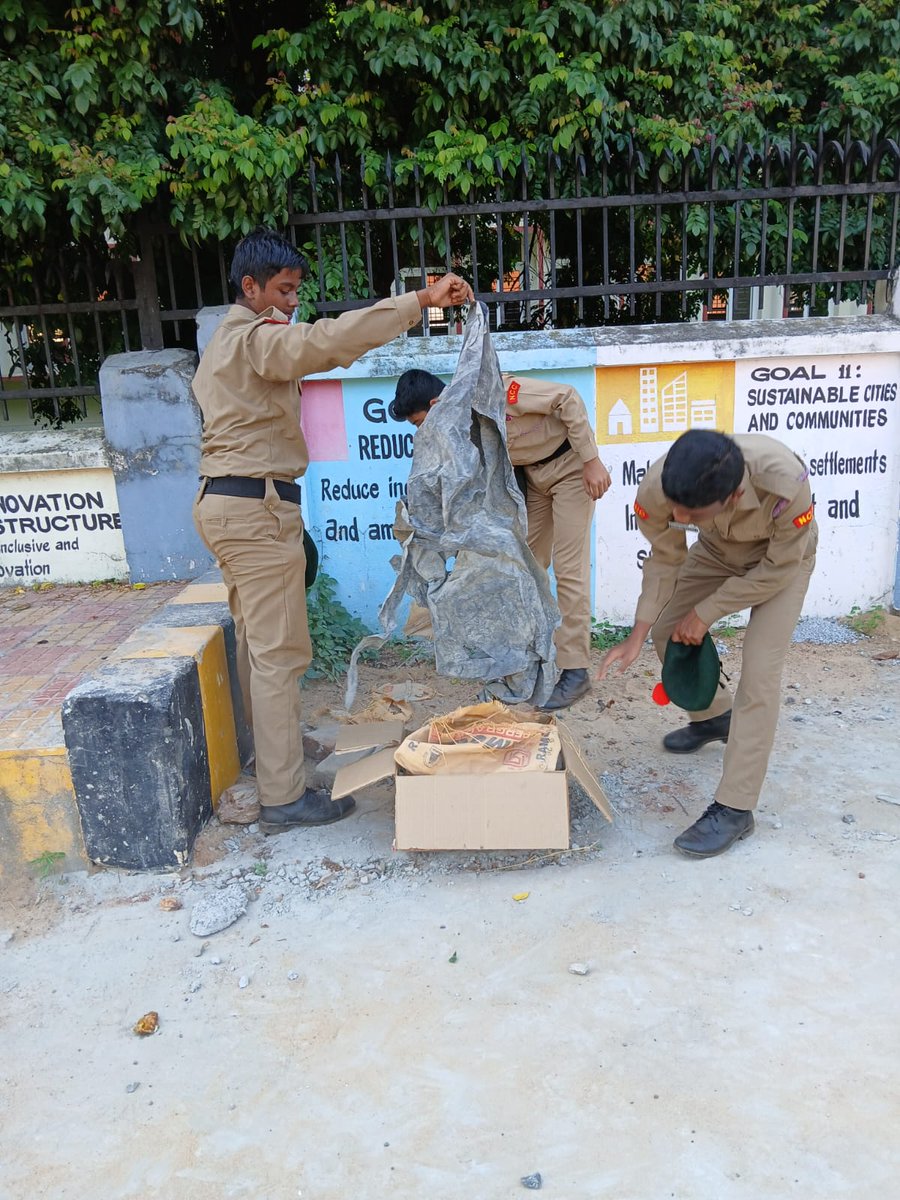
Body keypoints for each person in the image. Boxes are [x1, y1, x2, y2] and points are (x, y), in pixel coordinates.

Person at [192, 228, 473, 832]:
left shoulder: (221, 343)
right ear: (251, 288)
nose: (294, 303)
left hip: (230, 503)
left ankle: (277, 756)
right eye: (285, 291)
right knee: (279, 652)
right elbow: (327, 342)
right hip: (253, 507)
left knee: (255, 646)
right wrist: (419, 302)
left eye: (296, 291)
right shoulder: (254, 339)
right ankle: (284, 796)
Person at [597, 429, 817, 858]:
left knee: (759, 673)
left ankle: (736, 809)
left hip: (779, 563)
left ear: (734, 496)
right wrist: (638, 635)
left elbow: (777, 571)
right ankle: (716, 716)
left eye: (692, 514)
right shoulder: (663, 485)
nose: (678, 514)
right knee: (667, 628)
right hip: (717, 552)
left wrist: (708, 611)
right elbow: (664, 557)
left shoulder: (785, 484)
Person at [390, 369, 611, 709]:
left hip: (570, 471)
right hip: (534, 483)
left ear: (436, 404)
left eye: (420, 422)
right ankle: (530, 662)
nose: (422, 431)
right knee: (526, 571)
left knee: (569, 573)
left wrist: (591, 460)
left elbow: (566, 397)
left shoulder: (497, 392)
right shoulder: (456, 432)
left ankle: (575, 671)